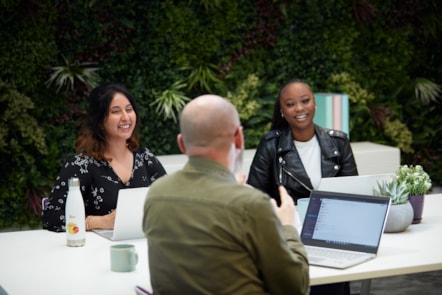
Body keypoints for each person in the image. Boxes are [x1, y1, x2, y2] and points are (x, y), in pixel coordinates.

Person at [143, 94, 310, 295]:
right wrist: (287, 226)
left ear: (182, 143)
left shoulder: (157, 193)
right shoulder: (251, 205)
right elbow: (294, 287)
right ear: (238, 138)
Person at [247, 78, 358, 295]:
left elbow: (353, 195)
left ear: (314, 103)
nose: (299, 108)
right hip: (288, 236)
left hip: (331, 236)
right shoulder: (271, 145)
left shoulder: (339, 142)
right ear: (282, 111)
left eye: (305, 101)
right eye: (290, 104)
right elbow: (254, 197)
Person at [42, 83, 167, 232]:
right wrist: (100, 221)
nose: (126, 117)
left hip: (142, 244)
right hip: (93, 251)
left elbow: (171, 200)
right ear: (99, 121)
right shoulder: (81, 165)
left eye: (129, 109)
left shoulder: (145, 157)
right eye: (116, 111)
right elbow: (51, 217)